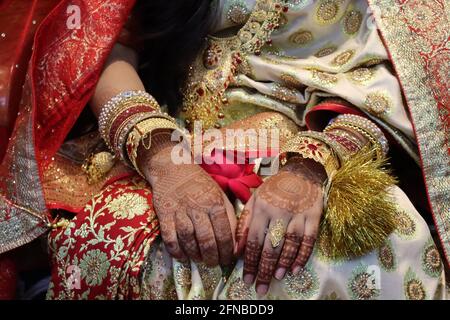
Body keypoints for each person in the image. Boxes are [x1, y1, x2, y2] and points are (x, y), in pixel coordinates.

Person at [0, 0, 448, 300]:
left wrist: (313, 166)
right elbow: (101, 41)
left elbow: (411, 75)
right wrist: (159, 153)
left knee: (333, 251)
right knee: (110, 240)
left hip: (320, 133)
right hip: (165, 125)